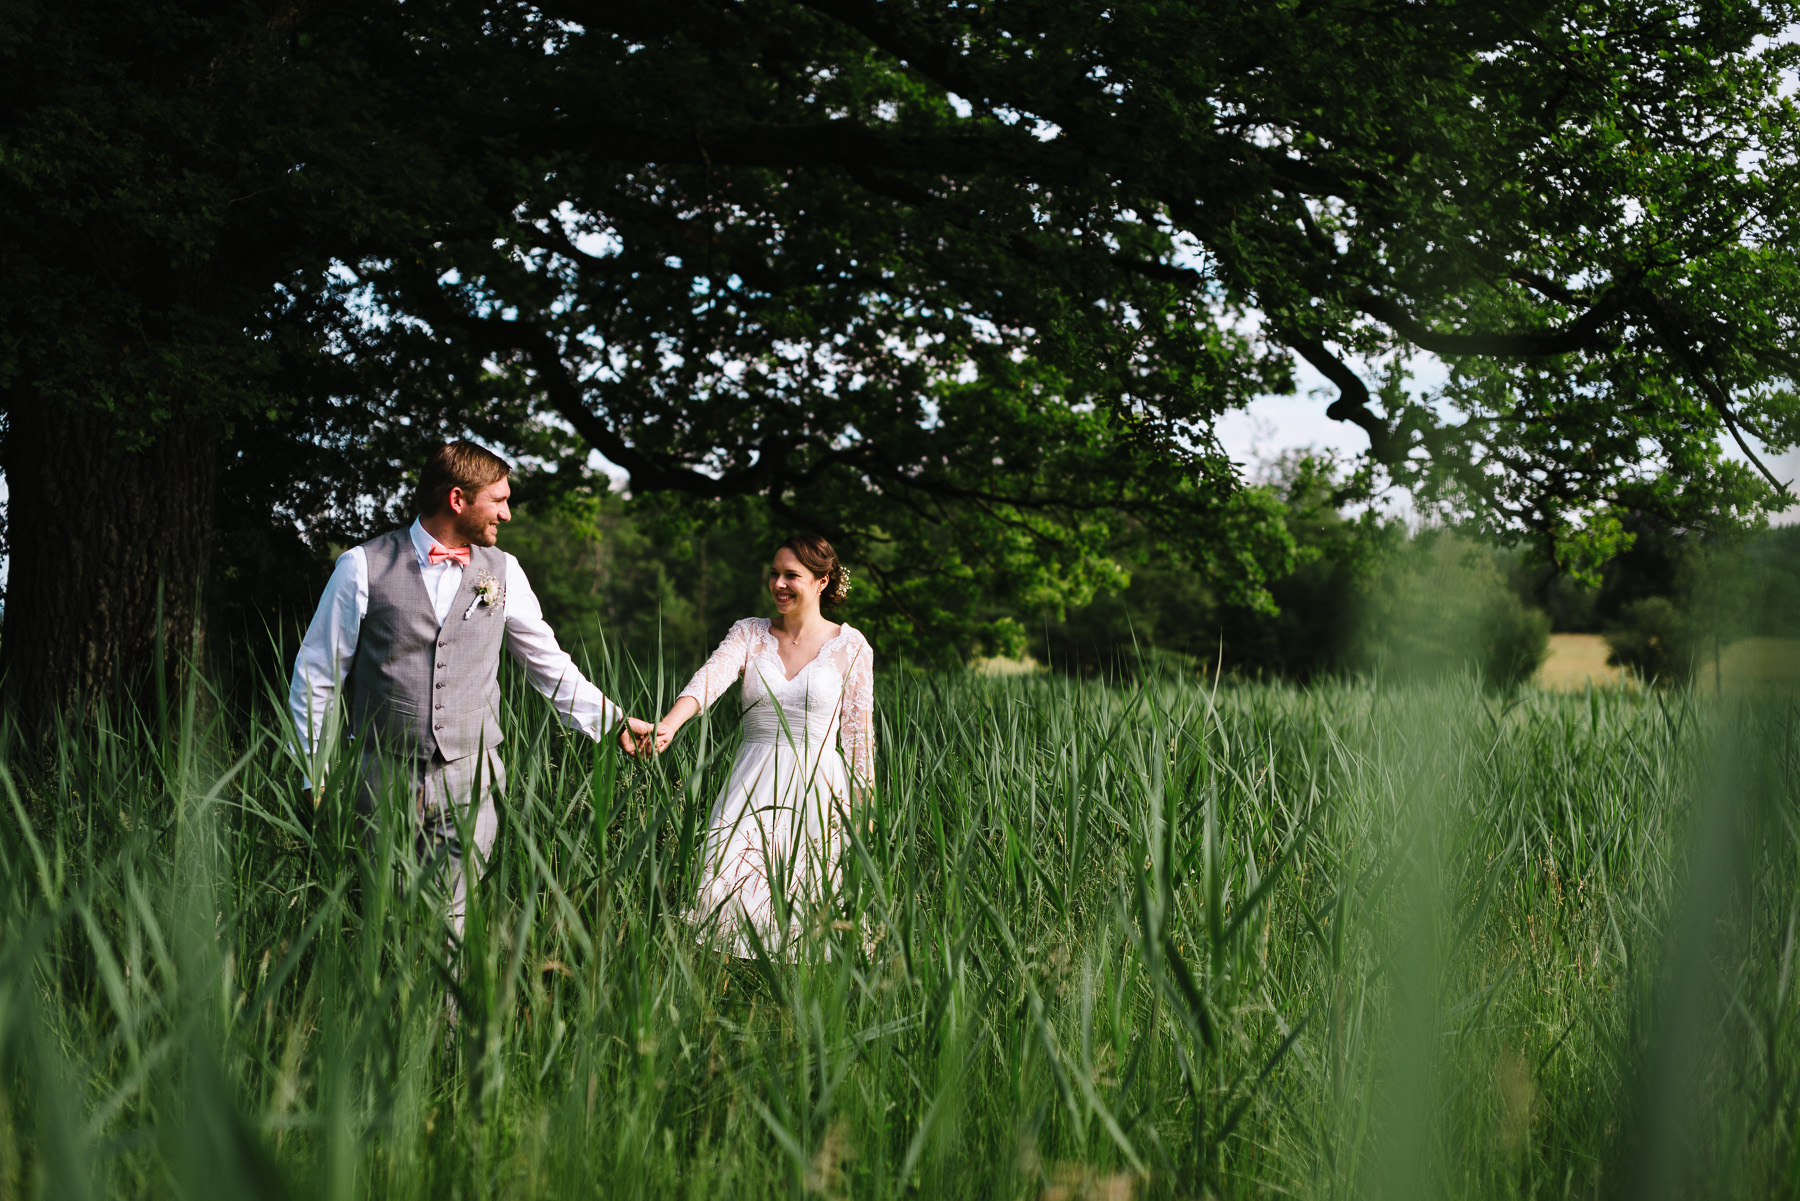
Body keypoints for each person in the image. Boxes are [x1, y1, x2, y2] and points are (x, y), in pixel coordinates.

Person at [288, 439, 654, 935]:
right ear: (457, 499)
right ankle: (386, 1013)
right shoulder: (362, 565)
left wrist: (611, 721)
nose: (506, 514)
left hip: (472, 775)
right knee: (382, 920)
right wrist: (317, 771)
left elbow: (547, 663)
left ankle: (450, 1016)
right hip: (381, 772)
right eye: (498, 500)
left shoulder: (504, 571)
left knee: (456, 922)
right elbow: (318, 674)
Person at [648, 535, 874, 956]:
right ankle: (719, 993)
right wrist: (670, 724)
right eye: (774, 573)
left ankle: (795, 1004)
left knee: (807, 908)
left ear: (822, 582)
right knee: (727, 890)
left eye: (792, 575)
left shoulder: (852, 646)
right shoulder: (750, 633)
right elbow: (710, 678)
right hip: (751, 781)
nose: (778, 584)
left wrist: (863, 811)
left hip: (819, 789)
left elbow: (859, 739)